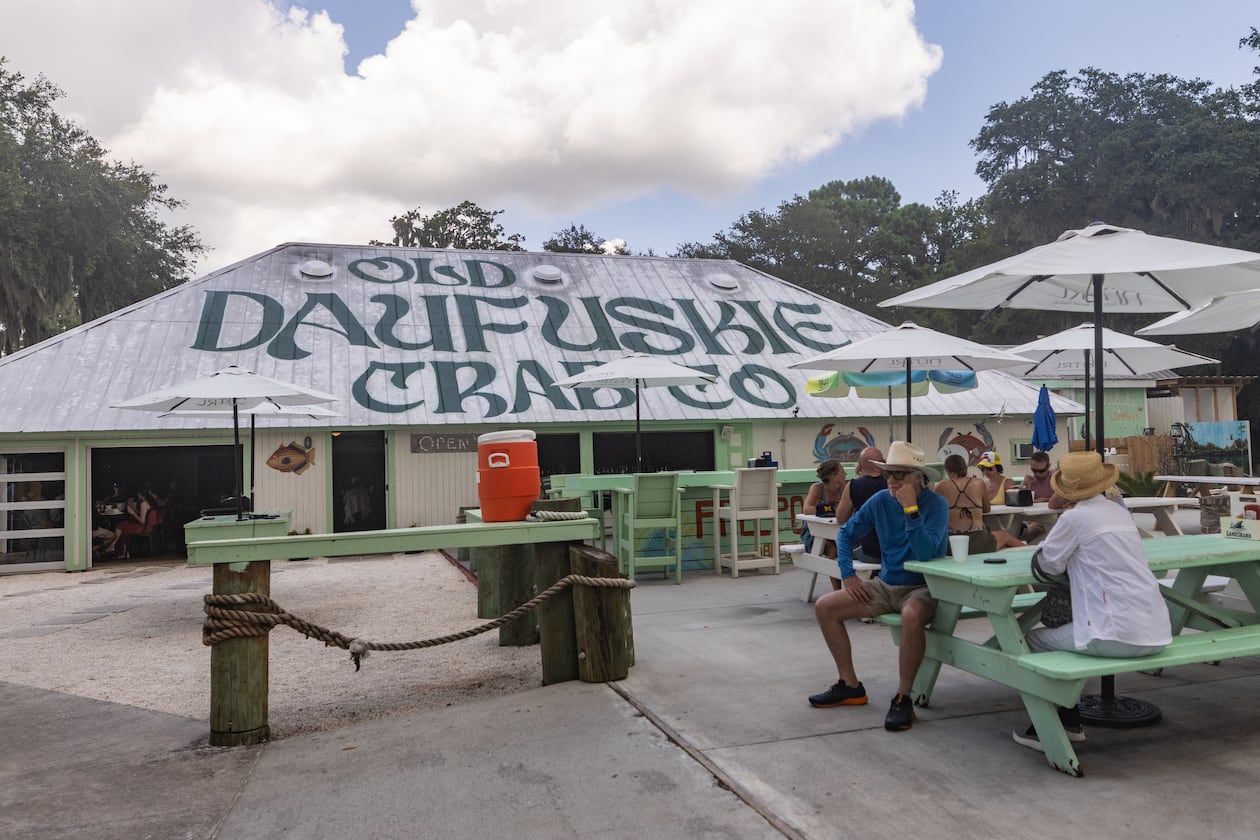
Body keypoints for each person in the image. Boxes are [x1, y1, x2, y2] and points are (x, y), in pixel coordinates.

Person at [1011, 451, 1172, 752]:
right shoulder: (1120, 513)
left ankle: (1049, 726)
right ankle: (1069, 718)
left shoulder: (1075, 517)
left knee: (1033, 640)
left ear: (1067, 488)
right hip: (1156, 629)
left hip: (1116, 634)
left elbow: (1047, 567)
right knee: (1074, 635)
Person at [808, 441, 949, 732]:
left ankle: (903, 696)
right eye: (889, 474)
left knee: (911, 615)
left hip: (923, 587)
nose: (892, 481)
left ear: (917, 477)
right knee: (825, 607)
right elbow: (845, 533)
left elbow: (926, 553)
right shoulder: (881, 500)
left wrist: (911, 510)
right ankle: (850, 685)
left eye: (899, 474)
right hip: (886, 585)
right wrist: (848, 575)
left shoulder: (935, 505)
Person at [934, 454, 1025, 553]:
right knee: (1005, 536)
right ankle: (1031, 552)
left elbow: (933, 510)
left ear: (947, 470)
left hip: (953, 541)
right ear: (965, 467)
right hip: (979, 539)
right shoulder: (979, 483)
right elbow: (987, 509)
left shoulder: (941, 486)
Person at [801, 459, 847, 556]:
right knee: (833, 549)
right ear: (833, 476)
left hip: (837, 531)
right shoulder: (817, 488)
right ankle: (831, 570)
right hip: (814, 533)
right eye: (842, 472)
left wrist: (844, 487)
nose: (845, 474)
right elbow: (807, 509)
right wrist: (829, 509)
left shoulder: (845, 489)